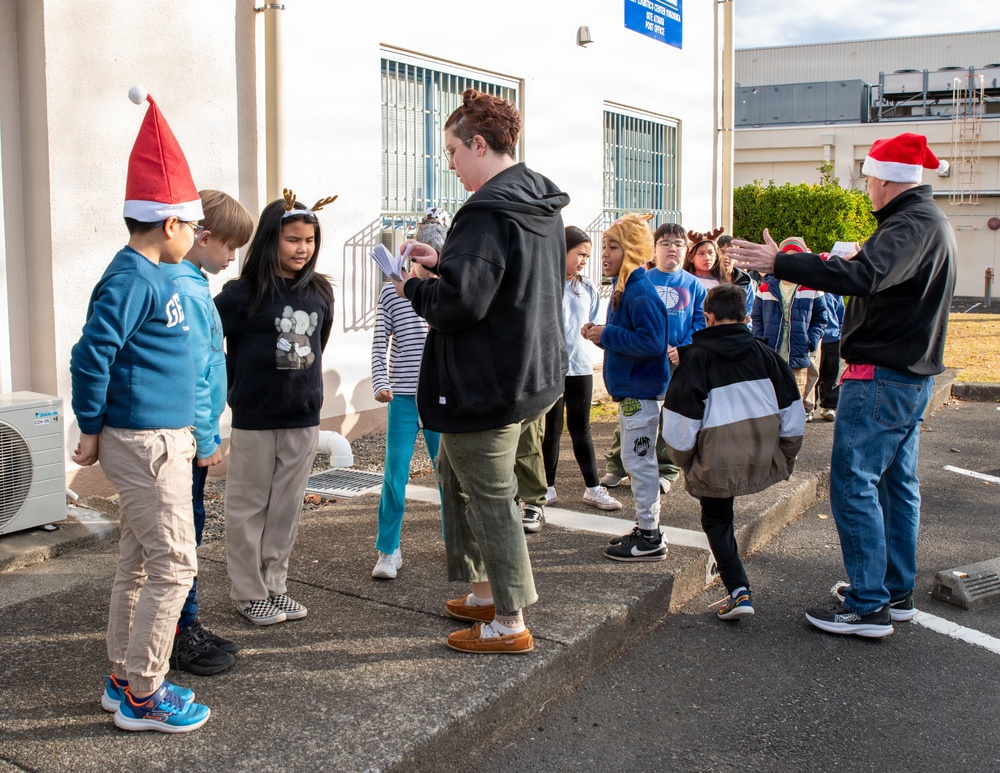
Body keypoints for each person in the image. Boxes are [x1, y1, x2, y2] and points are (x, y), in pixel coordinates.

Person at [730, 131, 956, 637]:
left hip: (882, 377)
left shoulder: (909, 224)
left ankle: (868, 604)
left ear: (885, 180)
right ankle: (892, 592)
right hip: (906, 377)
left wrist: (780, 262)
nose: (866, 187)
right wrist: (819, 261)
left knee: (854, 483)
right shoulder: (925, 220)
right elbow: (870, 272)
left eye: (868, 178)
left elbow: (865, 276)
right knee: (896, 485)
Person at [393, 88, 568, 655]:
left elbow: (459, 305)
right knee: (457, 474)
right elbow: (503, 279)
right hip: (530, 375)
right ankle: (485, 593)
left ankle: (509, 620)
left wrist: (414, 286)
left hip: (485, 383)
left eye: (451, 151)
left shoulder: (486, 211)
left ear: (478, 145)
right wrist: (445, 260)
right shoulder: (537, 200)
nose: (449, 163)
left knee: (491, 498)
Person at [71, 88, 210, 732]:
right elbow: (90, 355)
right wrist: (90, 428)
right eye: (194, 225)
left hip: (162, 439)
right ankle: (145, 694)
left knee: (138, 561)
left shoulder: (157, 275)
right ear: (169, 223)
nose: (198, 236)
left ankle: (123, 678)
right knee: (175, 563)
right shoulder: (132, 277)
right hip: (147, 443)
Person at [215, 191, 335, 626]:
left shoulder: (320, 293)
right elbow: (206, 346)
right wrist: (233, 383)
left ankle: (275, 586)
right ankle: (249, 592)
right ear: (270, 240)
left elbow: (317, 347)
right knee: (248, 508)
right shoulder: (240, 294)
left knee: (286, 509)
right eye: (292, 240)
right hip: (255, 418)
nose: (303, 249)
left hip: (303, 417)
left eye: (309, 240)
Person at [662, 284, 805, 620]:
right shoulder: (768, 356)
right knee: (720, 516)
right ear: (745, 318)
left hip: (714, 460)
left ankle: (739, 591)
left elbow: (679, 427)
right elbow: (793, 415)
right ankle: (738, 590)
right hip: (762, 454)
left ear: (707, 317)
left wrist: (688, 463)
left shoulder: (695, 359)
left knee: (716, 518)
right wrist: (785, 454)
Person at [160, 190, 253, 675]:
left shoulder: (192, 281)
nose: (233, 256)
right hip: (189, 436)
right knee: (183, 538)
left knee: (190, 533)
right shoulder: (187, 288)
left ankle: (188, 622)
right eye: (229, 246)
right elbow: (195, 371)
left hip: (191, 431)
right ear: (203, 236)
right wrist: (207, 438)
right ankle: (179, 633)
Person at [582, 214, 670, 562]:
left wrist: (607, 334)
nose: (605, 253)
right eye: (605, 246)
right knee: (637, 461)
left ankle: (650, 535)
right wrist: (602, 335)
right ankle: (648, 528)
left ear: (632, 250)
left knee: (640, 463)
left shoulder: (639, 293)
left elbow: (652, 343)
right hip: (633, 394)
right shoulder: (626, 289)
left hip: (641, 395)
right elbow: (632, 339)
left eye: (614, 246)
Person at [602, 222, 705, 494]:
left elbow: (700, 322)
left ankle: (666, 469)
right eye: (665, 243)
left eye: (678, 244)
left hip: (678, 359)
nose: (672, 249)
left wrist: (683, 348)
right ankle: (618, 465)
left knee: (670, 416)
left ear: (687, 250)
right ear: (652, 248)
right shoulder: (640, 281)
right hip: (641, 362)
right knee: (631, 415)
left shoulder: (694, 285)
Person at [370, 208, 444, 578]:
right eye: (422, 257)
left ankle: (456, 543)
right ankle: (388, 550)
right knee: (394, 475)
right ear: (412, 255)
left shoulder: (448, 291)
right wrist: (380, 382)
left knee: (448, 474)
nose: (427, 265)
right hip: (401, 397)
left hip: (440, 398)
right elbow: (379, 341)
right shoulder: (392, 290)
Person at [541, 226, 622, 512]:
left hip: (580, 367)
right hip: (550, 370)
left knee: (581, 429)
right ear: (561, 250)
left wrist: (594, 332)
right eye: (580, 254)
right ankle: (546, 488)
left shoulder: (587, 287)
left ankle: (593, 488)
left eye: (588, 255)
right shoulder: (543, 284)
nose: (585, 260)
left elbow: (592, 323)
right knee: (551, 430)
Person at [750, 236, 826, 419]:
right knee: (771, 400)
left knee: (794, 400)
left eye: (796, 256)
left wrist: (811, 340)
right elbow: (757, 318)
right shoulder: (766, 288)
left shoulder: (813, 288)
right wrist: (760, 340)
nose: (791, 261)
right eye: (787, 256)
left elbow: (820, 319)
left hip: (798, 353)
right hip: (771, 354)